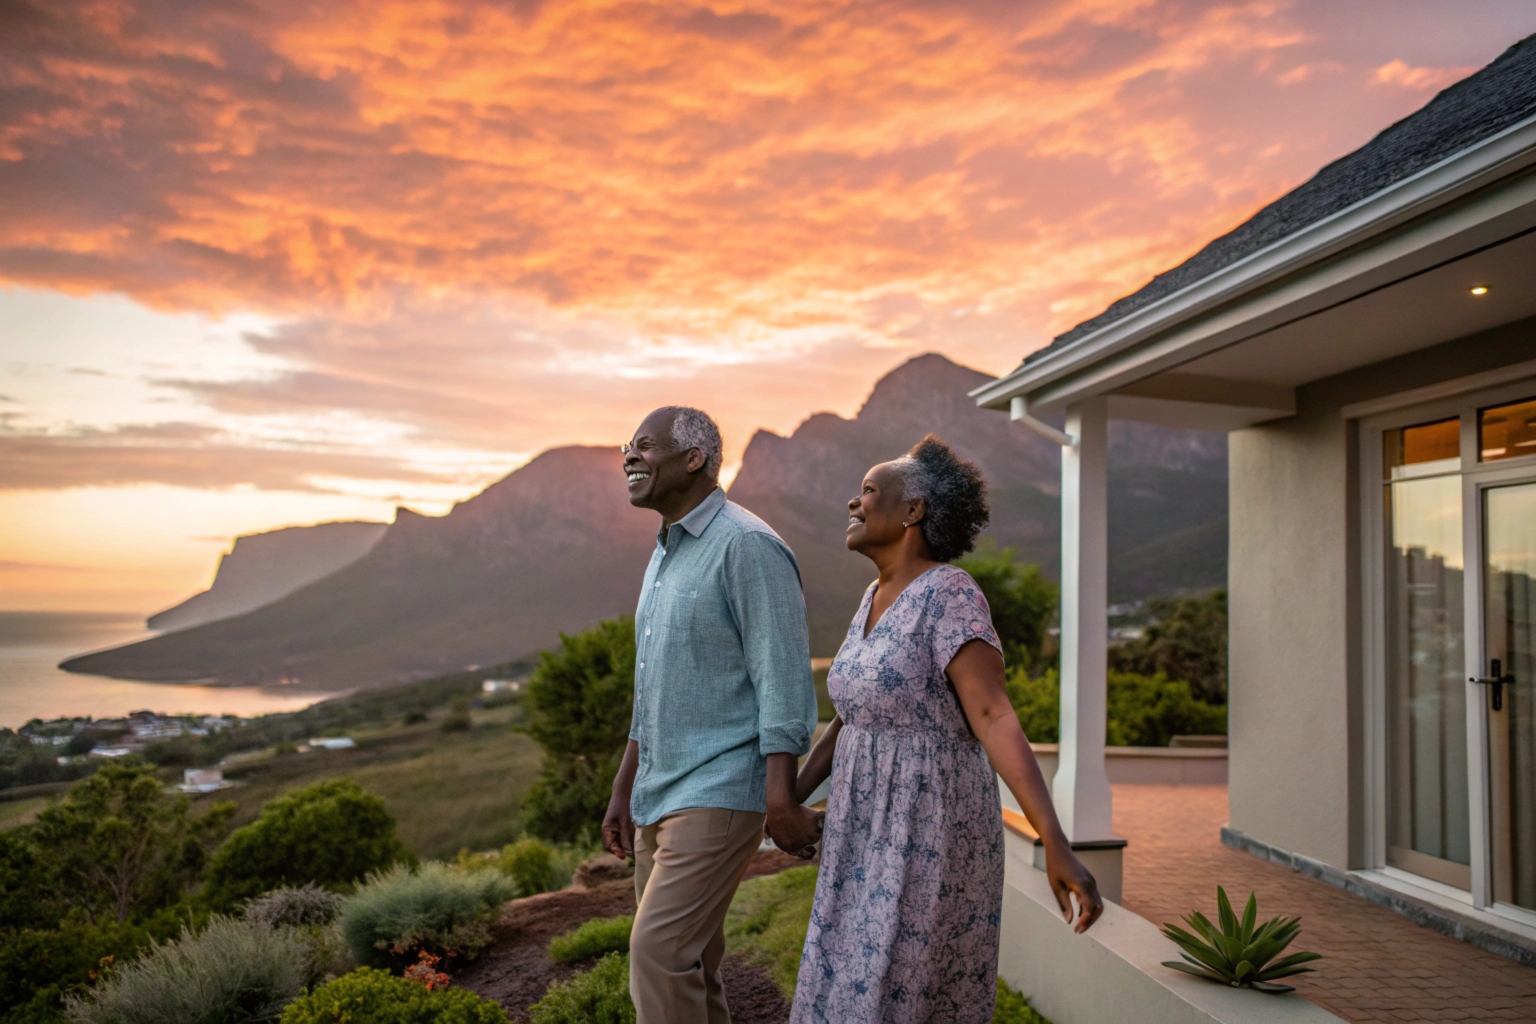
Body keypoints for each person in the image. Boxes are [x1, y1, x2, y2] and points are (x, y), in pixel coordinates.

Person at [789, 435, 1102, 1024]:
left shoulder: (950, 593)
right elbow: (855, 712)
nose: (853, 504)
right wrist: (789, 799)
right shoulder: (870, 597)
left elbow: (993, 715)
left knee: (896, 994)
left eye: (868, 491)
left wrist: (1054, 842)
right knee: (843, 985)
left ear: (913, 512)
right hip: (860, 830)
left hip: (925, 829)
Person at [603, 406, 823, 1024]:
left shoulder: (747, 545)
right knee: (693, 965)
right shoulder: (665, 554)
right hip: (658, 791)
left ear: (694, 458)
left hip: (721, 790)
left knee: (658, 953)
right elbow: (656, 689)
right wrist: (624, 788)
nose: (628, 457)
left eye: (645, 446)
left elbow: (781, 680)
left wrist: (779, 800)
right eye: (627, 445)